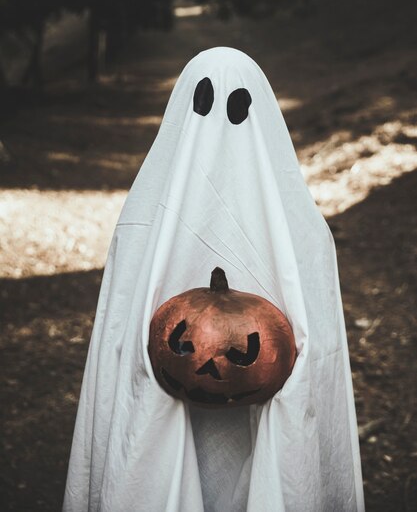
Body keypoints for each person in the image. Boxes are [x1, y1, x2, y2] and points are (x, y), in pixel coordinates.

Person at [63, 47, 364, 512]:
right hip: (174, 385)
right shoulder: (142, 222)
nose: (221, 124)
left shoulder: (303, 232)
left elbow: (317, 354)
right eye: (204, 102)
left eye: (238, 105)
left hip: (259, 395)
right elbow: (123, 337)